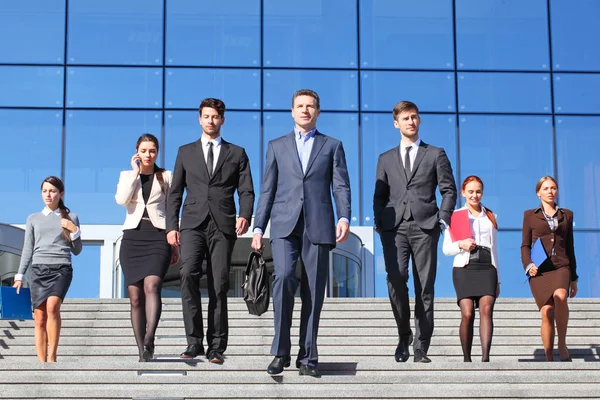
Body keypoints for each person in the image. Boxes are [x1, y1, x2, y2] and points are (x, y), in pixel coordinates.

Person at [252, 89, 351, 378]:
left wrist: (344, 215)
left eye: (310, 106)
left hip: (319, 226)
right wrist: (259, 227)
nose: (305, 110)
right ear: (292, 111)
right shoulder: (276, 146)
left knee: (314, 291)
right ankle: (280, 352)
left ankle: (308, 356)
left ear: (317, 112)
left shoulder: (332, 146)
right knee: (282, 278)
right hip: (284, 224)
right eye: (300, 106)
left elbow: (340, 186)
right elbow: (267, 190)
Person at [167, 98, 255, 364]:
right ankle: (194, 342)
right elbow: (175, 192)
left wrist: (245, 215)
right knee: (188, 275)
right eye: (206, 116)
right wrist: (172, 226)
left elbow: (247, 189)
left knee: (219, 283)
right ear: (199, 119)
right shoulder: (185, 152)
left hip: (223, 224)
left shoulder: (237, 152)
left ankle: (216, 346)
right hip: (192, 223)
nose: (210, 121)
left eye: (215, 117)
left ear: (222, 120)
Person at [373, 100, 457, 363]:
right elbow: (379, 195)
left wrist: (442, 219)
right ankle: (403, 334)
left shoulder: (435, 153)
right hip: (394, 228)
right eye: (406, 118)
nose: (412, 121)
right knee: (395, 279)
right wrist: (379, 221)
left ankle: (421, 346)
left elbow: (448, 190)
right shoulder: (385, 158)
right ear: (396, 123)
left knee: (425, 287)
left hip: (425, 227)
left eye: (415, 117)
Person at [115, 133, 178, 362]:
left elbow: (173, 209)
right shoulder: (126, 175)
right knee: (134, 297)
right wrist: (135, 173)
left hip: (158, 235)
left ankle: (150, 337)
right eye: (143, 150)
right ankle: (142, 351)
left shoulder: (166, 176)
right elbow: (122, 200)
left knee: (152, 285)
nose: (148, 154)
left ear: (157, 152)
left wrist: (175, 241)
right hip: (132, 237)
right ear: (137, 152)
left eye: (152, 150)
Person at [12, 176, 82, 362]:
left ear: (61, 193)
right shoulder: (33, 218)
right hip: (38, 270)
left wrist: (74, 231)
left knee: (52, 306)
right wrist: (19, 275)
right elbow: (28, 248)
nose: (48, 195)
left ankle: (52, 356)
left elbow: (77, 251)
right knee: (39, 317)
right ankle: (41, 362)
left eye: (52, 191)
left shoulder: (71, 217)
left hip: (61, 268)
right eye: (45, 191)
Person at [442, 176, 500, 362]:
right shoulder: (455, 216)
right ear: (463, 192)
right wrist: (461, 244)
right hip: (465, 268)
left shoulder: (491, 216)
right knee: (467, 313)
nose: (475, 195)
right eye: (471, 192)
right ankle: (467, 359)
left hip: (487, 268)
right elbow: (446, 249)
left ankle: (485, 358)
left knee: (486, 309)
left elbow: (495, 249)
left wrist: (498, 278)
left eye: (478, 191)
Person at [521, 176, 578, 361]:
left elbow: (570, 246)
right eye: (545, 188)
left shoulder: (566, 215)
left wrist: (574, 278)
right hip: (540, 270)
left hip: (561, 266)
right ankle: (548, 355)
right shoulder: (529, 215)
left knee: (560, 297)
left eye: (553, 188)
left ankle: (561, 344)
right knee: (546, 311)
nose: (550, 191)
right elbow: (525, 246)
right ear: (538, 193)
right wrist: (528, 265)